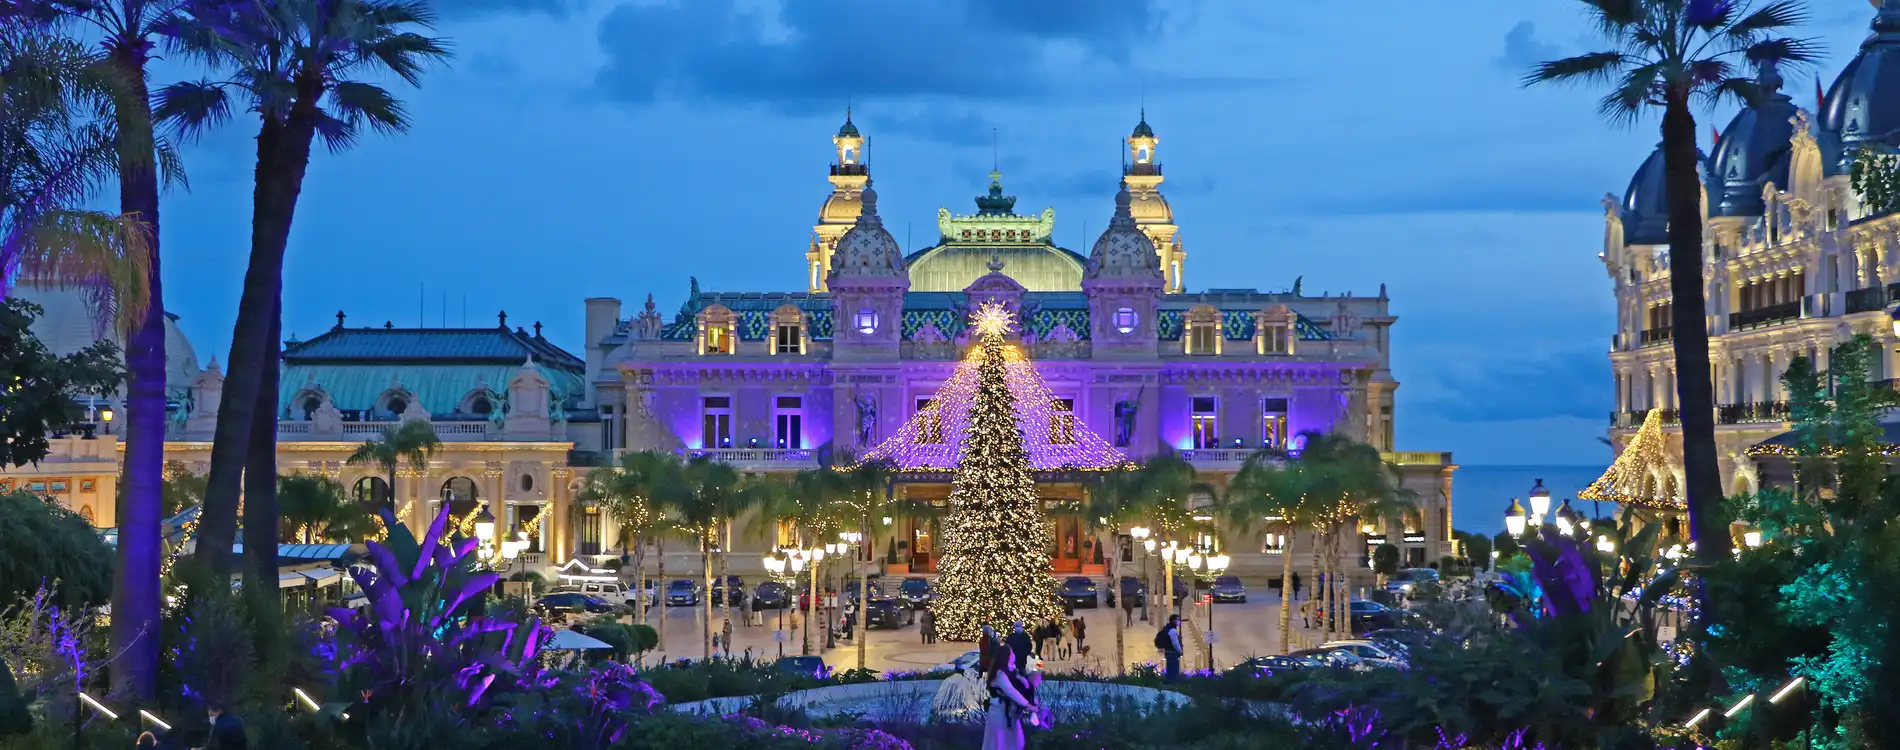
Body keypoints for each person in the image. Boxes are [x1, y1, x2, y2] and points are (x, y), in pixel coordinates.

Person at [982, 643, 1037, 750]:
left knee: (1015, 741)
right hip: (998, 712)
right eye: (1011, 653)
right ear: (1006, 656)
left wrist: (1024, 681)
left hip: (1010, 712)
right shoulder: (999, 674)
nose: (1014, 655)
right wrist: (1028, 705)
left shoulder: (1011, 671)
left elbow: (1018, 684)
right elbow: (1010, 690)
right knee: (999, 742)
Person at [1155, 614, 1183, 683]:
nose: (1179, 621)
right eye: (1178, 619)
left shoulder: (1167, 628)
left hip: (1167, 652)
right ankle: (1172, 684)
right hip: (1172, 653)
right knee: (1174, 671)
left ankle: (1169, 683)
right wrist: (1180, 651)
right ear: (1173, 621)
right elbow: (1175, 643)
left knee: (1170, 669)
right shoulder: (1172, 631)